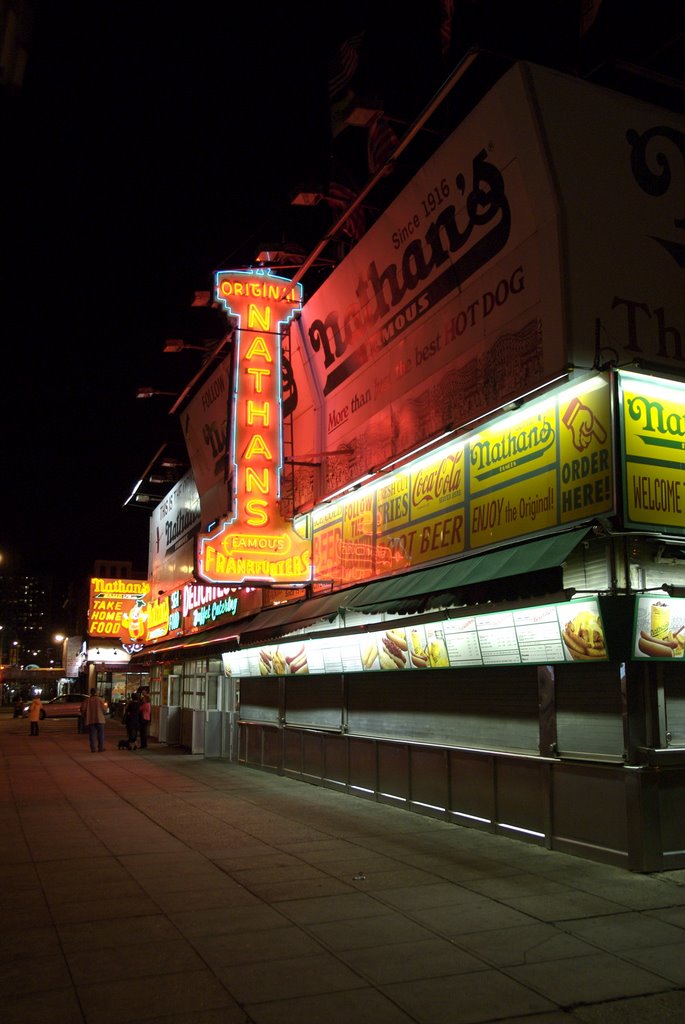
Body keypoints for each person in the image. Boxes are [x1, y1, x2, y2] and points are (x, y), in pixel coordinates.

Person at [81, 688, 107, 752]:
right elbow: (105, 710)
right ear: (96, 692)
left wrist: (85, 715)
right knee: (100, 735)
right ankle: (100, 748)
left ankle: (93, 748)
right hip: (100, 720)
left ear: (91, 692)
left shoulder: (87, 700)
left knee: (92, 735)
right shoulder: (100, 700)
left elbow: (83, 710)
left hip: (90, 719)